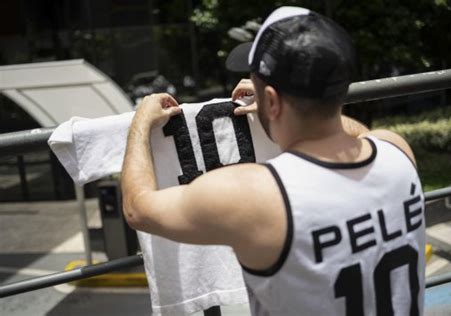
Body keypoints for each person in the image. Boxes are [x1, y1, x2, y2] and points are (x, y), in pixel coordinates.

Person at [121, 6, 425, 316]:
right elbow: (360, 135)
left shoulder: (257, 195)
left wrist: (140, 125)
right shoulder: (397, 151)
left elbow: (138, 209)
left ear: (271, 100)